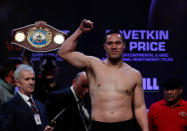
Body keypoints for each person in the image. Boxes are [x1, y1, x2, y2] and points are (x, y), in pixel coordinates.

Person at [57, 19, 148, 131]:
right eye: (110, 43)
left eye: (118, 43)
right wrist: (80, 30)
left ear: (124, 46)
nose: (114, 47)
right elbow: (63, 53)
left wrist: (145, 130)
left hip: (126, 126)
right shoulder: (93, 65)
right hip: (99, 127)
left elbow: (139, 107)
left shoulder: (134, 74)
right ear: (105, 47)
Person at [0, 64, 53, 131]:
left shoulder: (41, 105)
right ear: (17, 83)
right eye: (27, 79)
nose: (31, 82)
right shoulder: (9, 105)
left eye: (33, 79)